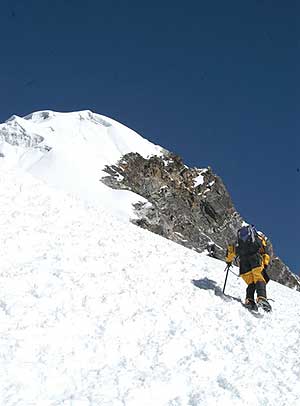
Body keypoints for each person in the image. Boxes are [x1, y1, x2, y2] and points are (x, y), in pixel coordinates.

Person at [226, 224, 271, 312]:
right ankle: (261, 298)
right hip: (255, 260)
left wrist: (228, 261)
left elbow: (231, 250)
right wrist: (265, 263)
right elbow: (264, 252)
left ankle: (249, 300)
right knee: (259, 279)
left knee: (251, 283)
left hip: (243, 264)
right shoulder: (259, 239)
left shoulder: (240, 243)